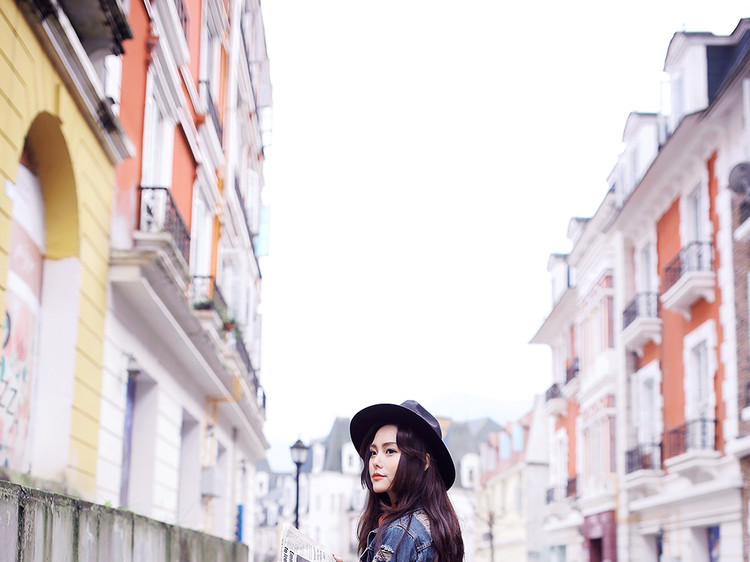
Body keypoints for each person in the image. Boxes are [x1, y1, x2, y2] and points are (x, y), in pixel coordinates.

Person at [347, 400, 464, 562]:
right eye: (373, 452)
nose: (375, 462)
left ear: (424, 462)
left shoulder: (401, 532)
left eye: (390, 451)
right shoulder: (438, 526)